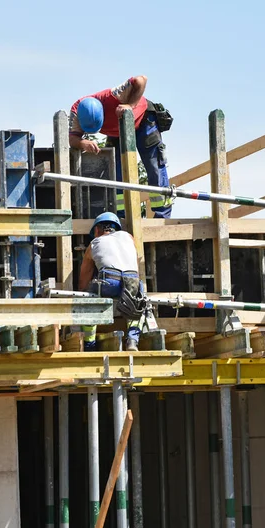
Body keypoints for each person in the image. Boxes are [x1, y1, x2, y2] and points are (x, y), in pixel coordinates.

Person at [69, 76, 173, 219]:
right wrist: (82, 143)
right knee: (116, 171)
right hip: (117, 130)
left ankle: (162, 215)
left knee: (154, 165)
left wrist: (131, 104)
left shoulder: (114, 95)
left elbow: (141, 79)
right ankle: (122, 216)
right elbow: (72, 139)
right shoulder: (76, 112)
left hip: (143, 120)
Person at [78, 212, 146, 351]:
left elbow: (85, 277)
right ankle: (133, 340)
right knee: (138, 300)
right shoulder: (129, 238)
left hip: (109, 280)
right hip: (132, 279)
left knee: (89, 298)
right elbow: (135, 264)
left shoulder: (94, 243)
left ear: (97, 229)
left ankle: (89, 343)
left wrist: (81, 296)